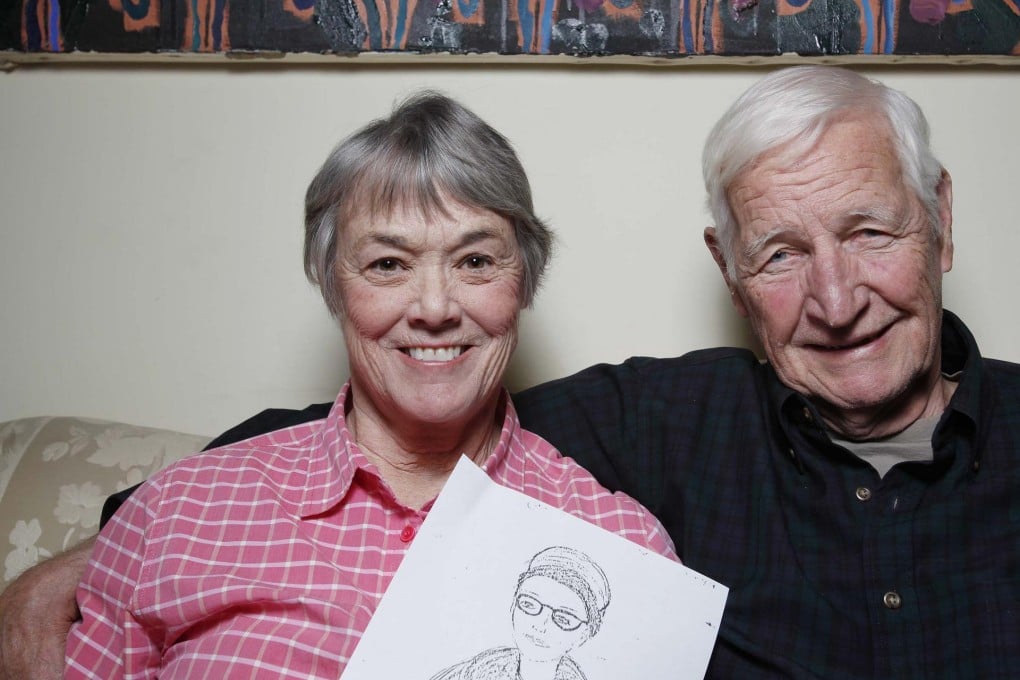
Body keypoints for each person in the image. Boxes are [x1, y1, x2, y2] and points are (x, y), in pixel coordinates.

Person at [3, 65, 1019, 678]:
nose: (836, 299)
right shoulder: (670, 421)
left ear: (940, 218)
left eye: (870, 231)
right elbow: (400, 413)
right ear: (729, 270)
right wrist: (96, 551)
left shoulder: (609, 517)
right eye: (782, 253)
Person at [57, 91, 675, 678]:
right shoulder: (176, 512)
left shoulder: (624, 551)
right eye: (388, 264)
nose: (434, 308)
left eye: (475, 261)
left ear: (524, 283)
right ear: (335, 286)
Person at [429, 546, 610, 680]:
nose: (540, 625)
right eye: (529, 604)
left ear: (584, 635)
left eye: (563, 619)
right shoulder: (466, 674)